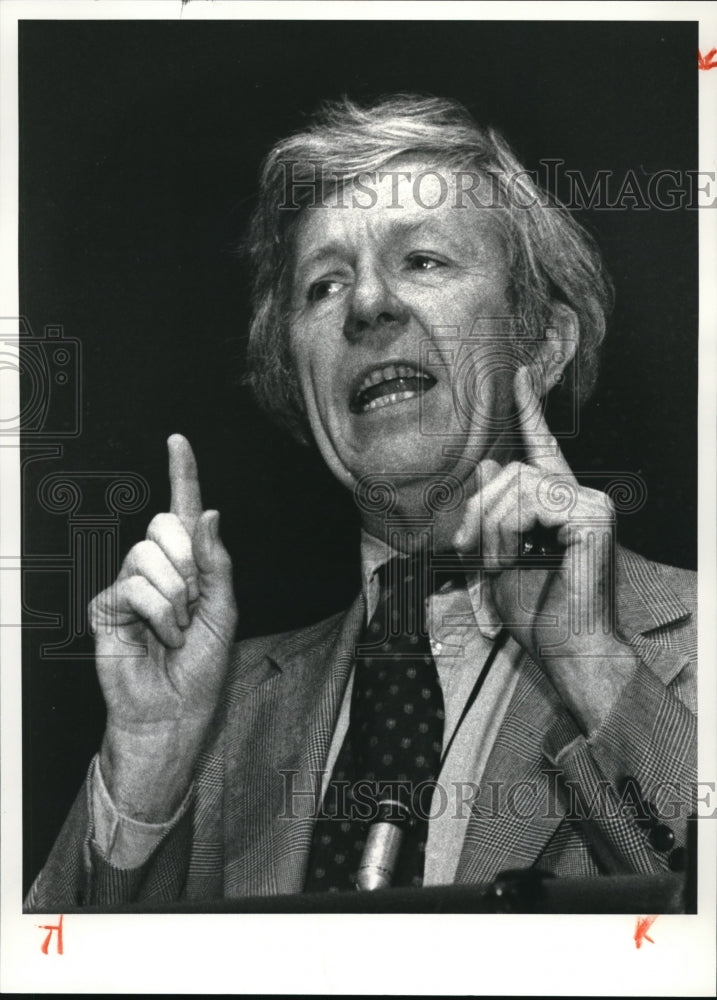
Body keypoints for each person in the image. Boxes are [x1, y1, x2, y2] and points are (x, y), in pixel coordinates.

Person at [25, 95, 696, 910]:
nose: (367, 304)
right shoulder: (211, 711)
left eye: (423, 260)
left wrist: (592, 664)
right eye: (324, 284)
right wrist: (149, 773)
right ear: (293, 383)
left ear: (541, 343)